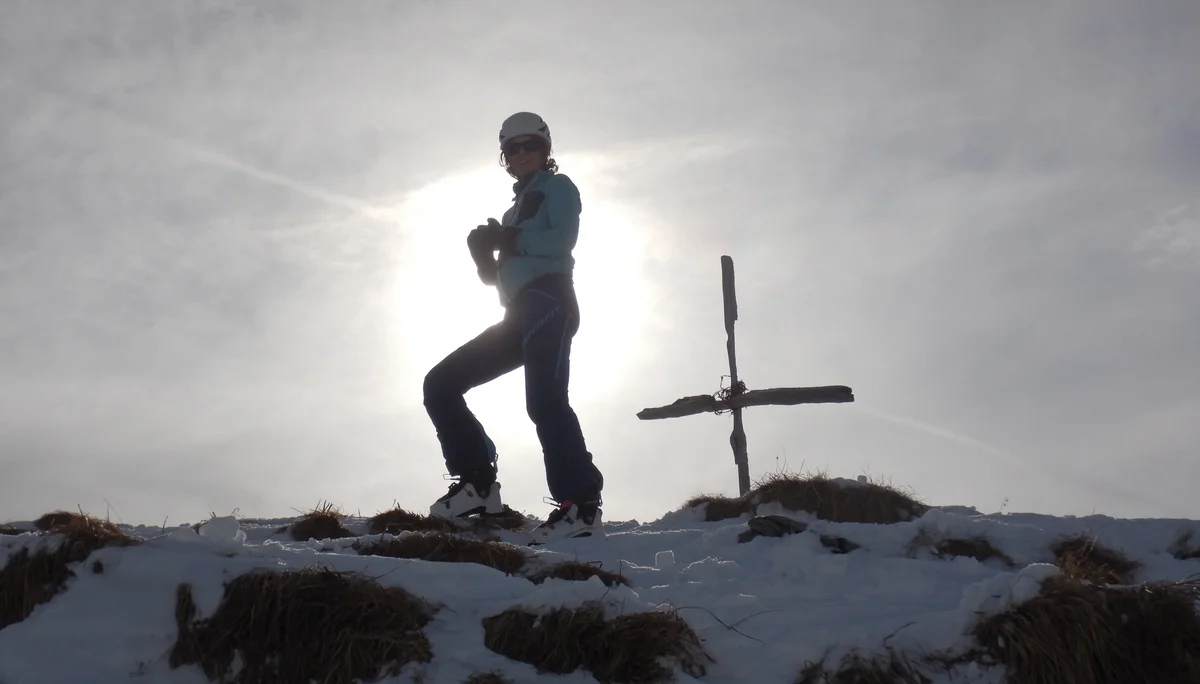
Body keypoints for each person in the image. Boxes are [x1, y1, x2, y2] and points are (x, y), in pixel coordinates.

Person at [422, 112, 605, 544]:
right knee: (441, 383)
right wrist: (483, 255)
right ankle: (478, 488)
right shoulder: (514, 209)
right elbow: (497, 279)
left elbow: (562, 241)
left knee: (544, 403)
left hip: (549, 301)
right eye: (512, 148)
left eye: (530, 145)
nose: (522, 153)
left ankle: (580, 506)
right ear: (504, 156)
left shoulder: (558, 188)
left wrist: (508, 240)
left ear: (546, 149)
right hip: (518, 312)